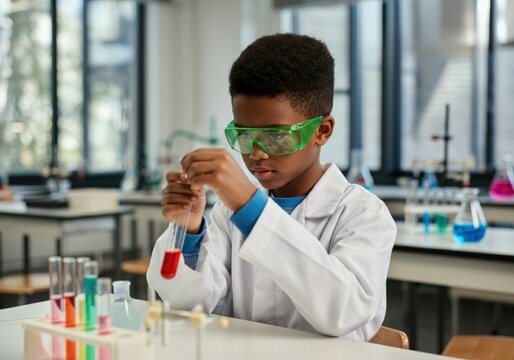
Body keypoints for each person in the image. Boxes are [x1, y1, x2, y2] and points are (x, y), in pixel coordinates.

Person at [147, 33, 396, 340]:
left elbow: (342, 311)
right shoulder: (228, 212)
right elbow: (193, 305)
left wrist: (251, 208)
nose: (256, 153)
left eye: (276, 136)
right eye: (245, 135)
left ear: (322, 131)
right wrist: (189, 231)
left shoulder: (363, 214)